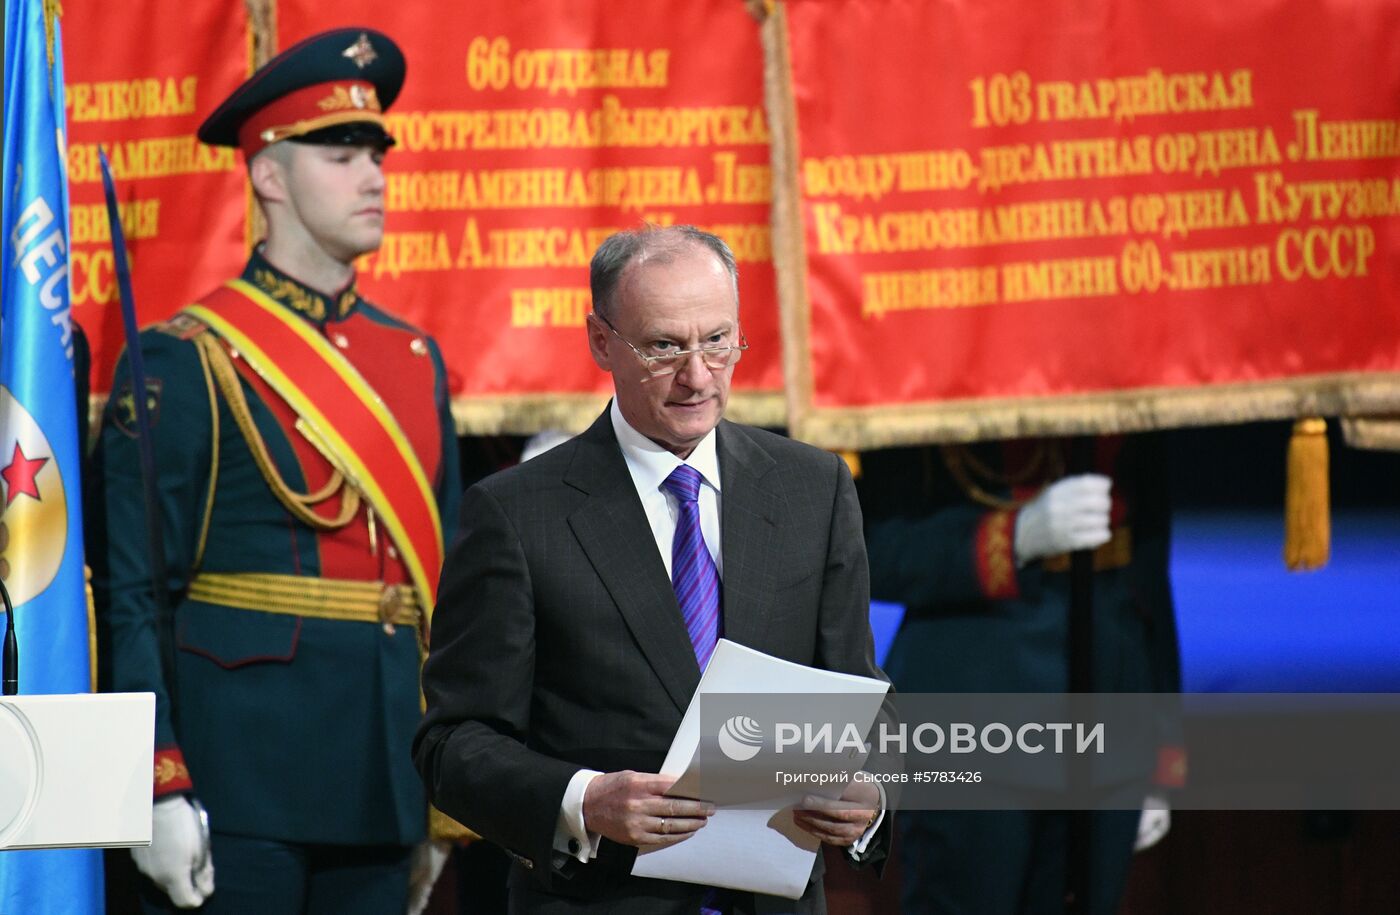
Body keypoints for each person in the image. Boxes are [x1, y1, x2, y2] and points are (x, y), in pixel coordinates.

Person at [91, 28, 461, 913]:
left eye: (376, 155)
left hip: (382, 776)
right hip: (235, 782)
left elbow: (440, 596)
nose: (373, 177)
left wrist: (439, 802)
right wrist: (157, 780)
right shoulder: (181, 360)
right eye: (341, 155)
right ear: (267, 176)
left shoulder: (414, 357)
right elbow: (134, 594)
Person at [415, 225, 889, 913]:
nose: (698, 375)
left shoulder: (814, 488)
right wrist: (583, 799)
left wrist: (872, 793)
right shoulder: (517, 514)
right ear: (601, 340)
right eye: (665, 346)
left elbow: (862, 692)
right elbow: (452, 744)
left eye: (718, 340)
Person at [857, 436, 1183, 915]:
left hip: (1112, 683)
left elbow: (1149, 559)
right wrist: (1015, 537)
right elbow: (872, 543)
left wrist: (1161, 746)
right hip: (973, 686)